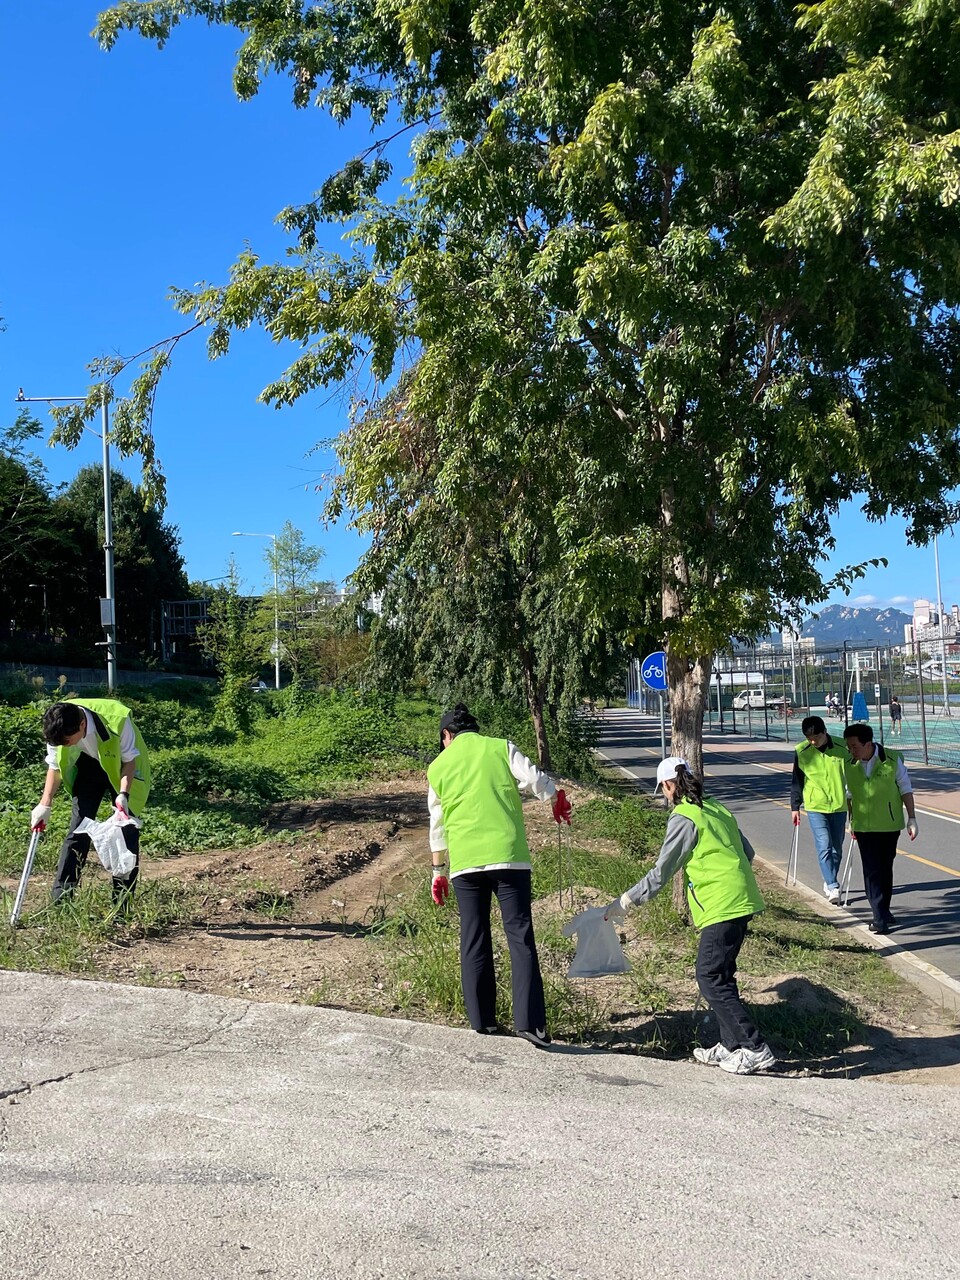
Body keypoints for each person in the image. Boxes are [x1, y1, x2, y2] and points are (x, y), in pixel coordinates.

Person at [605, 757, 775, 1076]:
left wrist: (625, 901)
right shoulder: (715, 807)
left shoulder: (684, 817)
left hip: (721, 903)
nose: (665, 796)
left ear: (669, 786)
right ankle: (729, 1045)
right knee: (721, 976)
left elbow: (662, 872)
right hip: (740, 898)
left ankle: (755, 1047)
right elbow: (748, 853)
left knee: (709, 976)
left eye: (663, 790)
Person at [427, 702, 571, 1047]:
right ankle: (530, 1025)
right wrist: (555, 800)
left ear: (447, 736)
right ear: (474, 730)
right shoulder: (499, 747)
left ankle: (483, 1023)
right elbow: (537, 780)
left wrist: (438, 871)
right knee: (519, 935)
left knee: (473, 937)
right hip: (509, 859)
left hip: (465, 865)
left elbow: (437, 825)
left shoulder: (437, 767)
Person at [31, 698, 151, 905]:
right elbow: (55, 766)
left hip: (121, 766)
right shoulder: (59, 723)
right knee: (78, 829)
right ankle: (61, 900)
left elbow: (130, 760)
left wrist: (123, 794)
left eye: (68, 741)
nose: (64, 745)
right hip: (88, 764)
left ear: (82, 725)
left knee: (125, 831)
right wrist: (45, 804)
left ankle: (122, 905)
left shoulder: (118, 720)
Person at [842, 723, 917, 934]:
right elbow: (850, 795)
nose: (851, 751)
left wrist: (912, 818)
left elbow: (905, 789)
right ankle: (878, 918)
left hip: (889, 826)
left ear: (868, 744)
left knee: (885, 869)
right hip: (864, 827)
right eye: (849, 746)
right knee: (872, 870)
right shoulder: (849, 764)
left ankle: (884, 910)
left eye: (854, 746)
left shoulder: (892, 760)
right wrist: (851, 820)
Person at [790, 715, 850, 905]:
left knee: (837, 848)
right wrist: (795, 806)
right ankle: (832, 885)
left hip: (839, 806)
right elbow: (797, 780)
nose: (813, 741)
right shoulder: (802, 751)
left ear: (825, 732)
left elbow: (854, 776)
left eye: (817, 737)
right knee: (824, 844)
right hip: (815, 806)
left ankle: (829, 878)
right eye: (809, 739)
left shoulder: (843, 748)